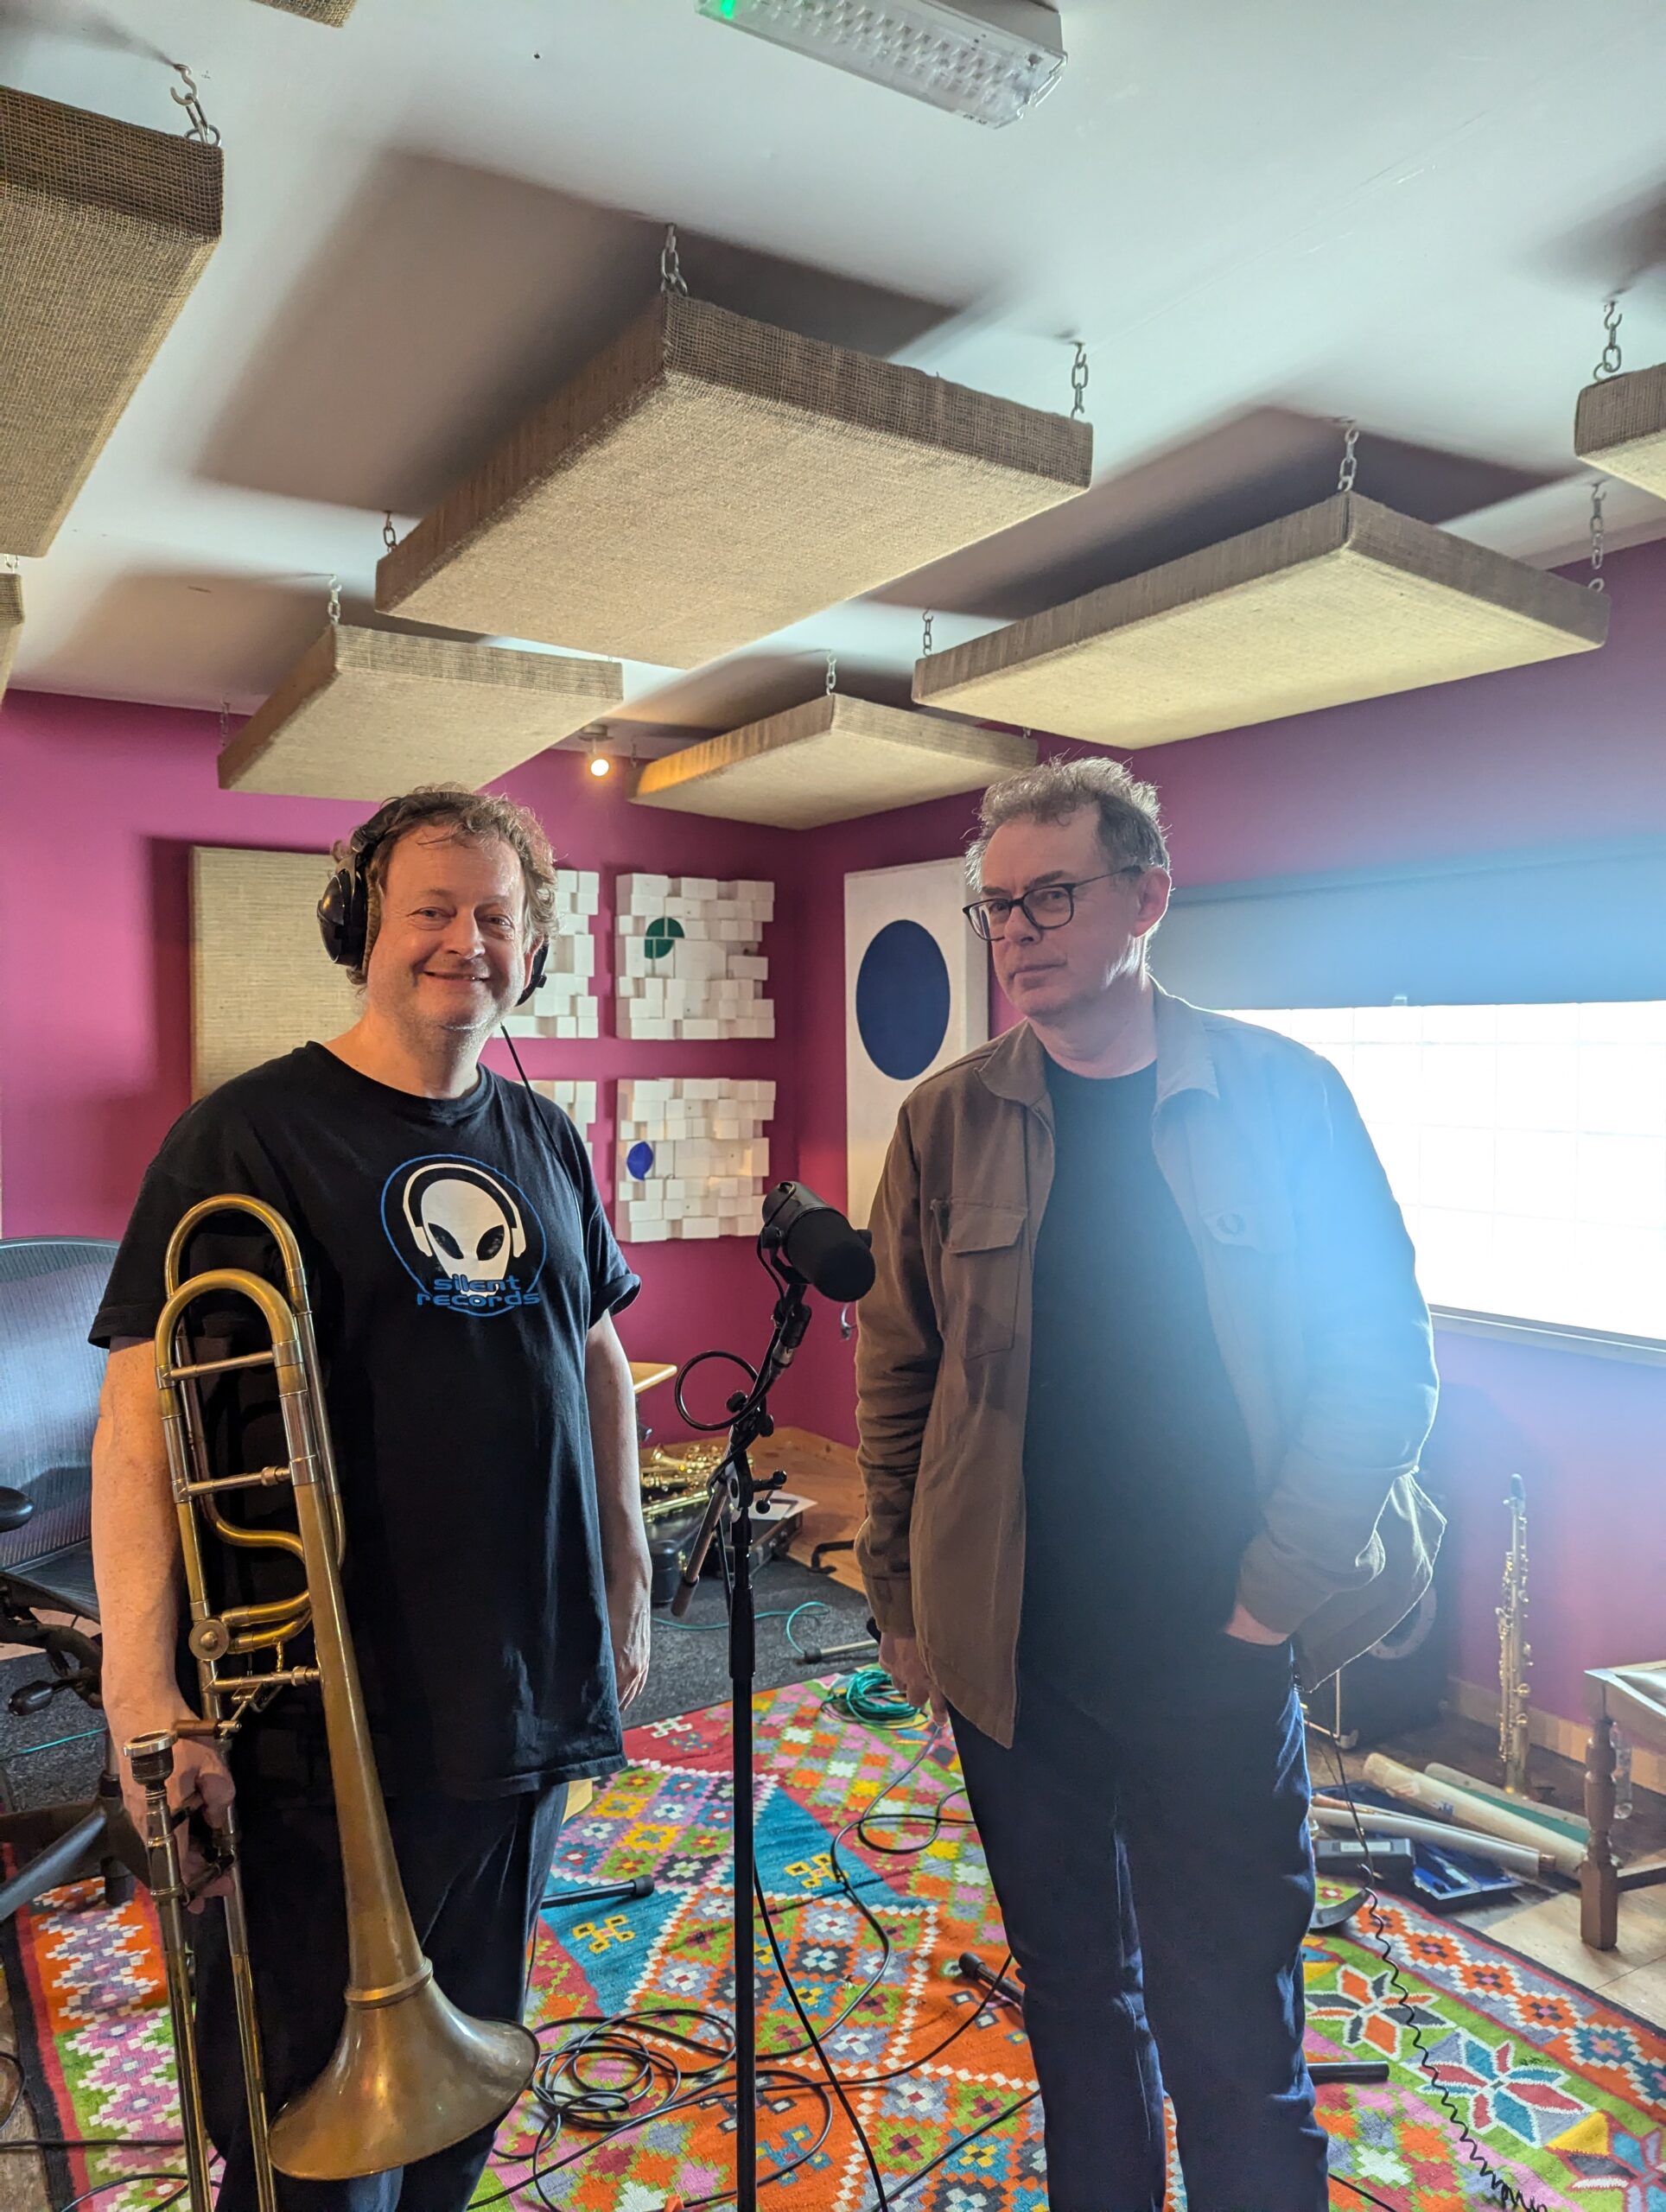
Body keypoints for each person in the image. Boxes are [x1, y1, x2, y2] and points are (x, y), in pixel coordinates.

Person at [854, 754, 1442, 2212]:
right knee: (1074, 2008)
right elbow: (899, 1374)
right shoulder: (944, 1120)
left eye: (1053, 895)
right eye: (998, 907)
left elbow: (1383, 1370)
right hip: (1018, 1665)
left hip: (1215, 1657)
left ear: (1148, 898)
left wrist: (1267, 1606)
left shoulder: (1287, 1099)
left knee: (1231, 2031)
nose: (1019, 932)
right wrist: (902, 1598)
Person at [90, 785, 652, 2212]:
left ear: (534, 948)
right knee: (302, 2129)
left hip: (523, 1692)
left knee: (464, 2083)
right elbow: (139, 1419)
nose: (467, 941)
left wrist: (630, 1576)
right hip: (325, 1721)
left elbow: (596, 1352)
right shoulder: (243, 1139)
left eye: (497, 917)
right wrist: (142, 1693)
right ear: (359, 928)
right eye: (431, 911)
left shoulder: (545, 1136)